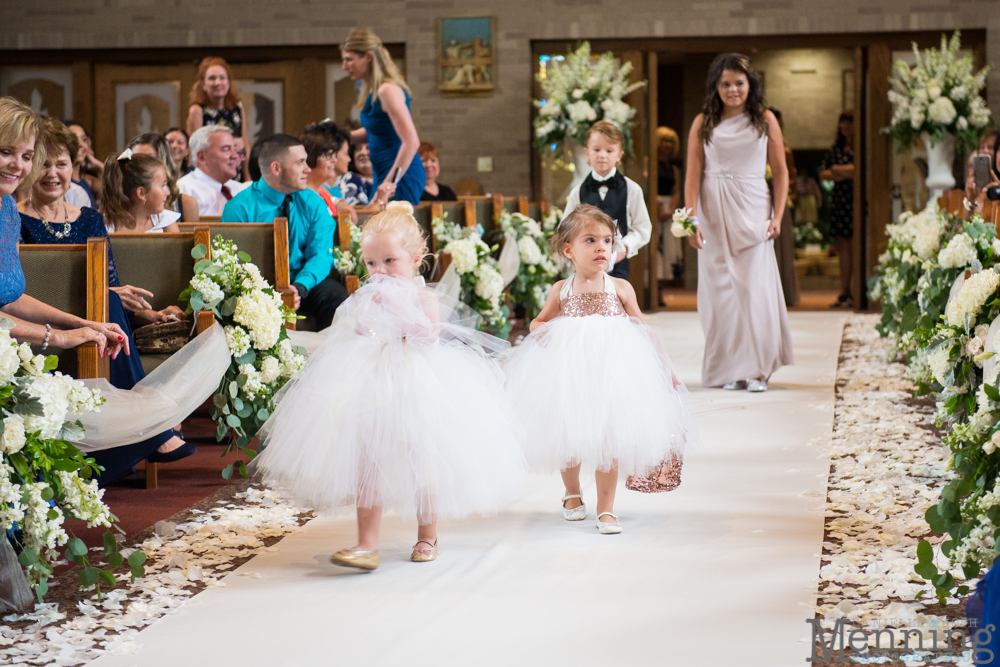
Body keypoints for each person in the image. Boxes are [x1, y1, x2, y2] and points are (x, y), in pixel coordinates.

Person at [252, 201, 526, 570]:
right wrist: (366, 317)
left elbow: (427, 336)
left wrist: (397, 308)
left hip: (419, 378)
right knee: (369, 458)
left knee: (423, 454)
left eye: (389, 262)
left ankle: (427, 533)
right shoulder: (366, 297)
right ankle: (367, 543)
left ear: (415, 259)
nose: (378, 272)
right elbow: (359, 332)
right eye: (371, 264)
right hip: (373, 377)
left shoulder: (424, 296)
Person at [14, 117, 195, 480]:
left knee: (111, 305)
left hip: (98, 324)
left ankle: (138, 438)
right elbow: (17, 289)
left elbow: (109, 282)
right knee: (108, 307)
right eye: (44, 164)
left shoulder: (91, 220)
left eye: (61, 164)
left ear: (73, 168)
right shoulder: (13, 219)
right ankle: (153, 430)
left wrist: (151, 314)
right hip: (40, 324)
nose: (52, 173)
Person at [503, 205, 695, 535]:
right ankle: (572, 493)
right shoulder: (561, 289)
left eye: (607, 240)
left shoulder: (620, 287)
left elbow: (643, 328)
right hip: (569, 374)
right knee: (568, 435)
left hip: (613, 373)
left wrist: (666, 367)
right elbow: (538, 321)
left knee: (609, 437)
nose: (601, 248)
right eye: (590, 240)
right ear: (569, 249)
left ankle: (606, 509)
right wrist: (541, 331)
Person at [685, 52, 793, 392]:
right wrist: (690, 219)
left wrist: (777, 215)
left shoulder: (766, 119)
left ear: (751, 85)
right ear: (716, 87)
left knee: (753, 290)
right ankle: (731, 368)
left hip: (752, 207)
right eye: (725, 84)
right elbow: (692, 174)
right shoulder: (703, 122)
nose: (733, 90)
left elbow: (781, 173)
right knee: (722, 292)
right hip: (713, 211)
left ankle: (758, 369)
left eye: (739, 83)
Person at [222, 133, 347, 329]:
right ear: (276, 168)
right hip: (257, 288)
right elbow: (231, 265)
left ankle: (330, 358)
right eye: (300, 163)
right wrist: (266, 292)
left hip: (304, 282)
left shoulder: (313, 203)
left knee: (336, 297)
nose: (308, 169)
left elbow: (321, 254)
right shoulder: (239, 208)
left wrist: (299, 287)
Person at [342, 29, 425, 206]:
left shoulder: (387, 91)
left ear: (368, 56)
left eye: (349, 59)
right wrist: (338, 134)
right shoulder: (365, 87)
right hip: (382, 172)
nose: (344, 66)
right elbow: (376, 130)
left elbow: (411, 141)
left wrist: (388, 185)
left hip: (400, 174)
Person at [563, 121, 651, 280]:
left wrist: (625, 246)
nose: (602, 155)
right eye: (596, 149)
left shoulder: (632, 189)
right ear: (587, 153)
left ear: (619, 155)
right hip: (585, 267)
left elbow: (643, 227)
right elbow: (565, 228)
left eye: (609, 150)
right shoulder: (578, 192)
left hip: (618, 266)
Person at [186, 57, 248, 180]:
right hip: (210, 175)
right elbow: (194, 151)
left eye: (222, 77)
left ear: (229, 82)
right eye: (212, 78)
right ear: (203, 85)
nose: (217, 82)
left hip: (236, 171)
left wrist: (247, 176)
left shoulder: (237, 108)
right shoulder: (197, 110)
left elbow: (245, 144)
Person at [819, 111, 855, 309]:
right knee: (842, 247)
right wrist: (843, 172)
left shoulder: (860, 146)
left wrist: (837, 170)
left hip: (855, 202)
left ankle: (856, 291)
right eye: (843, 124)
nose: (846, 128)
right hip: (840, 201)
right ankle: (844, 291)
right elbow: (824, 173)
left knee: (855, 245)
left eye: (849, 124)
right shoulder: (837, 148)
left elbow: (859, 169)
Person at [101, 151, 180, 233]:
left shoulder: (165, 222)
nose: (168, 192)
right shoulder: (106, 227)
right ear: (141, 193)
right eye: (162, 185)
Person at [177, 125, 246, 217]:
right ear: (202, 157)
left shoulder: (241, 190)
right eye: (226, 149)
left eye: (235, 149)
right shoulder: (185, 190)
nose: (235, 156)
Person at [768, 108, 799, 308]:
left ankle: (783, 292)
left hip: (778, 198)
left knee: (782, 246)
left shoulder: (785, 151)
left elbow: (790, 176)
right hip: (756, 197)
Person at [128, 133, 199, 222]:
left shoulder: (185, 204)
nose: (140, 166)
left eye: (149, 160)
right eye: (135, 160)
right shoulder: (122, 201)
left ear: (164, 163)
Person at [299, 125, 356, 223]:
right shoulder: (302, 198)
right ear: (310, 158)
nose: (334, 160)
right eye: (328, 156)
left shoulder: (321, 191)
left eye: (334, 155)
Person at [655, 126, 683, 285]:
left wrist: (671, 210)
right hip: (653, 208)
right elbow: (649, 187)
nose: (668, 145)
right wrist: (658, 208)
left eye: (671, 142)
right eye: (665, 140)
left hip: (669, 211)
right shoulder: (649, 164)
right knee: (656, 247)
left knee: (669, 250)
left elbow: (676, 191)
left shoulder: (673, 169)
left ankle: (663, 287)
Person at [64, 120, 102, 208]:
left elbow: (118, 191)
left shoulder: (88, 181)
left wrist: (96, 163)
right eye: (74, 139)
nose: (81, 144)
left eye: (83, 139)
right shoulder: (62, 183)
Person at [339, 141, 372, 206]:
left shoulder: (391, 179)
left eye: (368, 148)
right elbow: (357, 214)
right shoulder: (350, 178)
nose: (363, 152)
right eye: (358, 149)